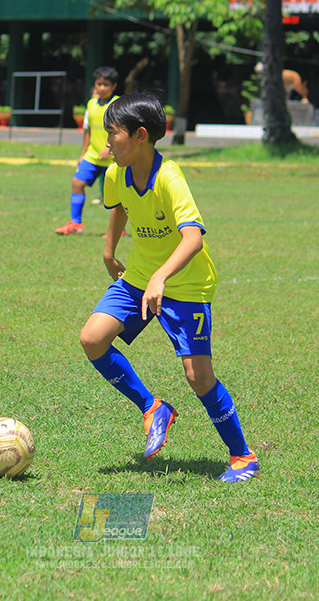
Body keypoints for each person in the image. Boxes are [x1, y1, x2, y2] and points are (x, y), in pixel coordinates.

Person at [78, 92, 260, 483]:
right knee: (93, 338)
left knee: (198, 376)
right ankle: (152, 407)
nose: (106, 143)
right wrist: (109, 252)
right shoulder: (115, 173)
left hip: (187, 282)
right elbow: (120, 206)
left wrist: (162, 277)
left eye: (113, 133)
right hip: (139, 275)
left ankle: (243, 457)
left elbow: (192, 237)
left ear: (140, 135)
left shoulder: (169, 177)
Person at [54, 67, 119, 235]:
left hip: (114, 157)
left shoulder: (117, 104)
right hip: (93, 155)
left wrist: (108, 148)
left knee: (117, 195)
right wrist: (82, 154)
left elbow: (121, 131)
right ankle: (75, 223)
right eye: (99, 84)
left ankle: (118, 231)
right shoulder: (91, 104)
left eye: (106, 85)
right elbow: (88, 130)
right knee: (77, 183)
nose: (102, 88)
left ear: (114, 86)